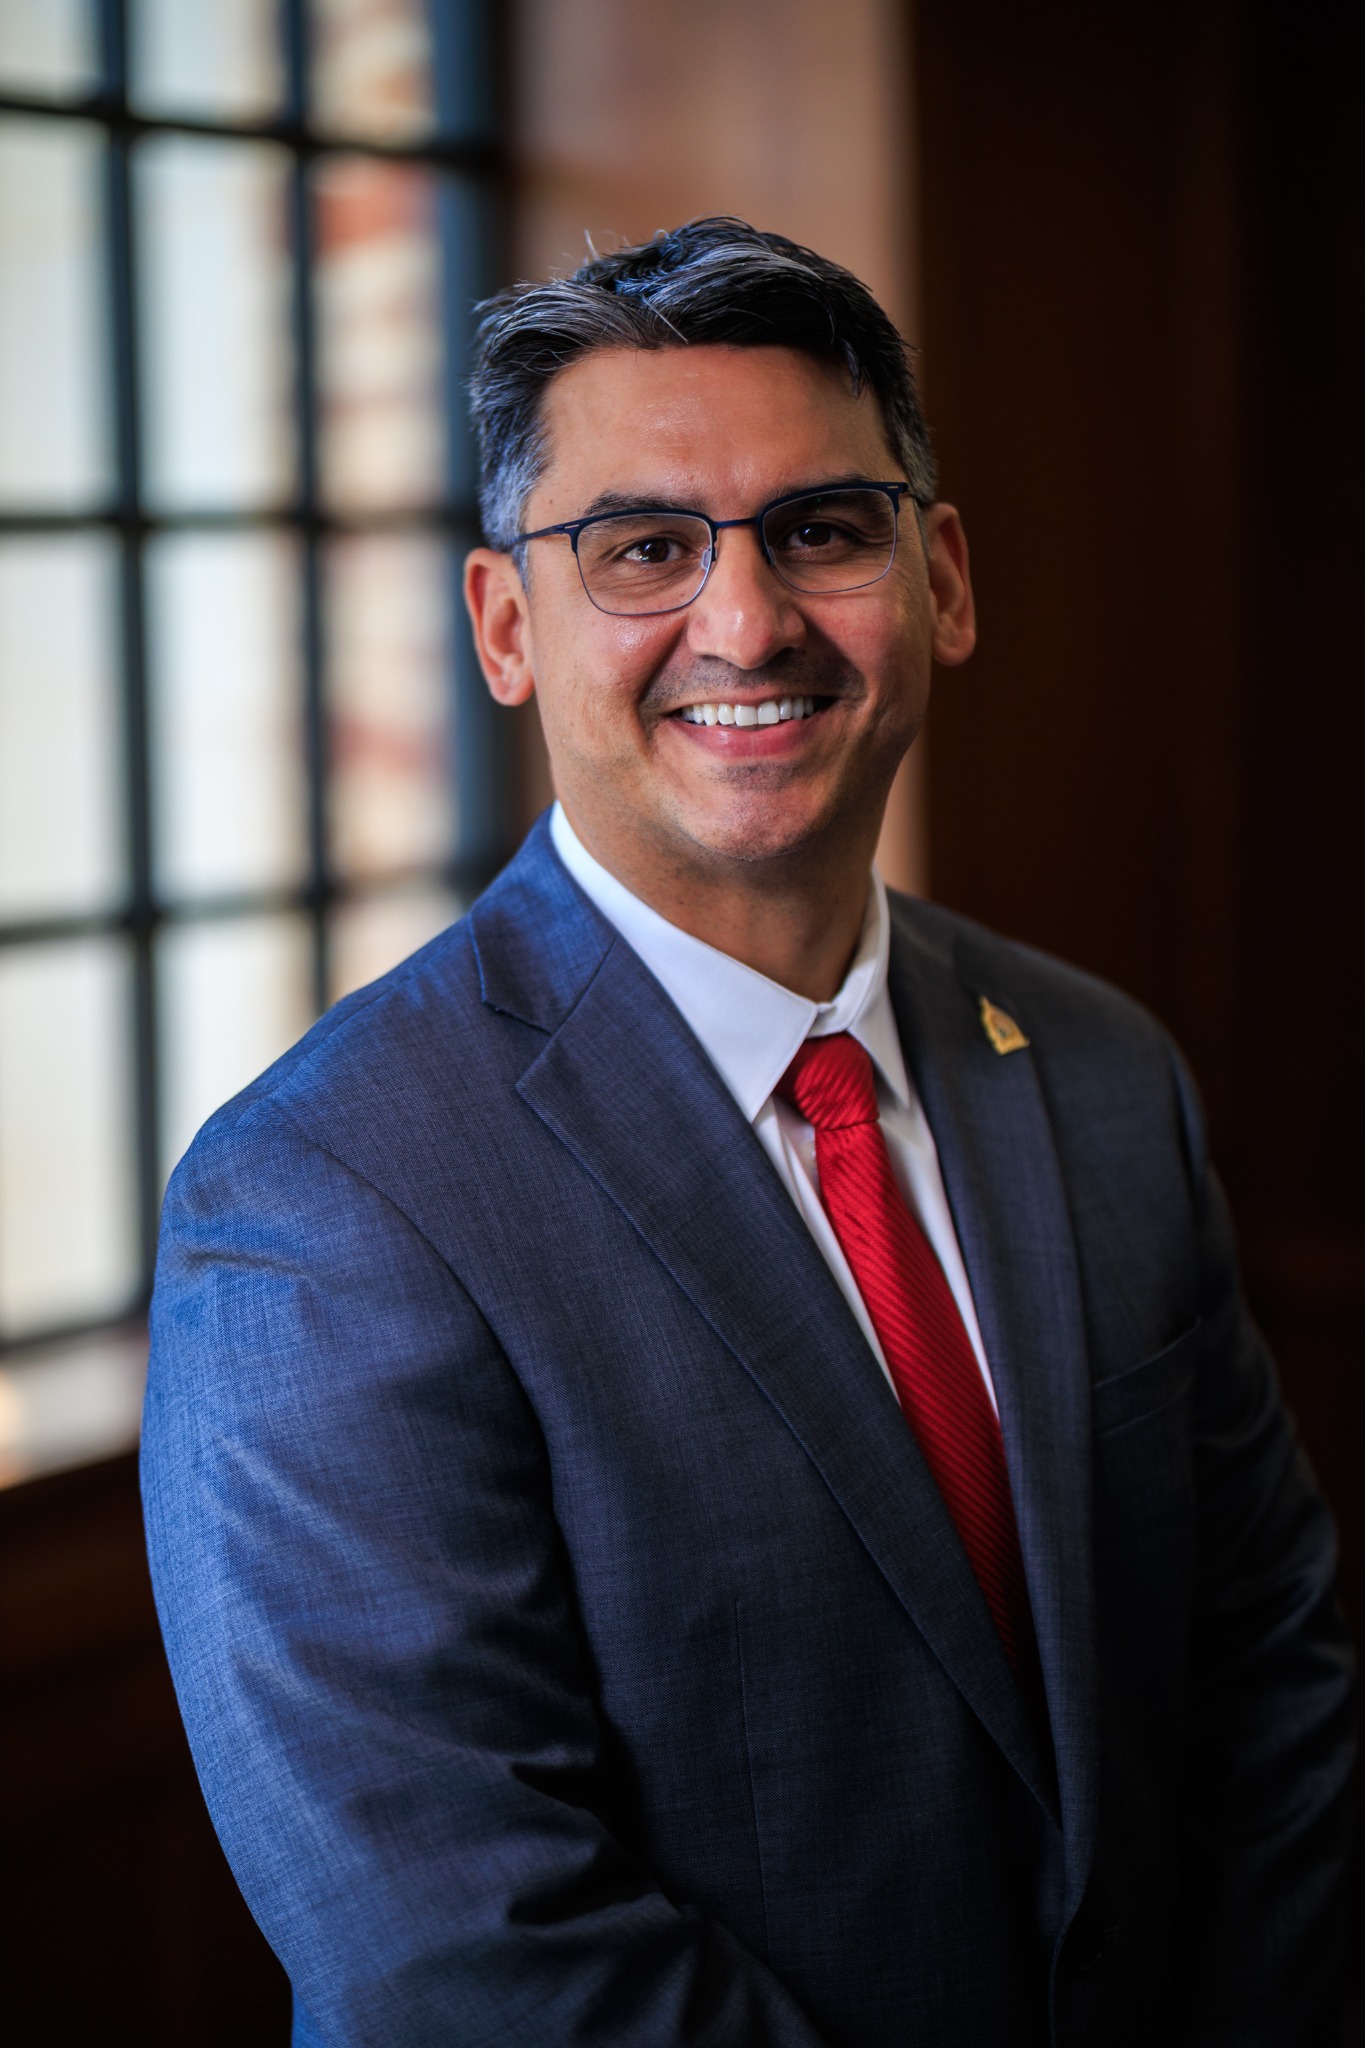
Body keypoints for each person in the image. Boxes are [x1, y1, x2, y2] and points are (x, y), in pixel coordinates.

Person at [141, 218, 1355, 2048]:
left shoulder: (1101, 1071)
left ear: (938, 579)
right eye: (640, 549)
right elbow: (462, 1963)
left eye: (821, 529)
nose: (744, 621)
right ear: (501, 626)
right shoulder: (323, 1200)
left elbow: (1266, 1686)